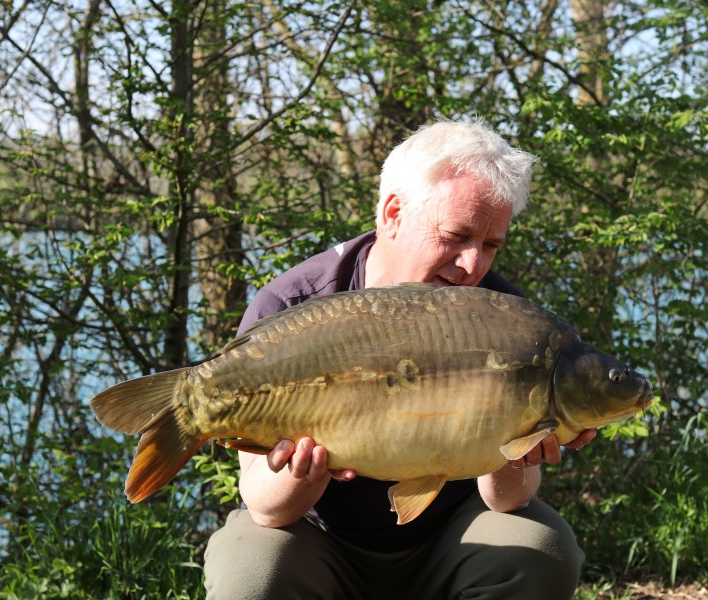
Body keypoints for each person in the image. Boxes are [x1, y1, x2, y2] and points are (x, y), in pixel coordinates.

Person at [204, 120, 596, 600]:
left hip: (452, 536)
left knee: (543, 547)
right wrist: (303, 479)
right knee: (249, 570)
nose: (474, 265)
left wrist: (517, 451)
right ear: (393, 212)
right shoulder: (292, 308)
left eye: (491, 245)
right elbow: (265, 508)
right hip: (319, 539)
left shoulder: (503, 316)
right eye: (456, 235)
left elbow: (508, 502)